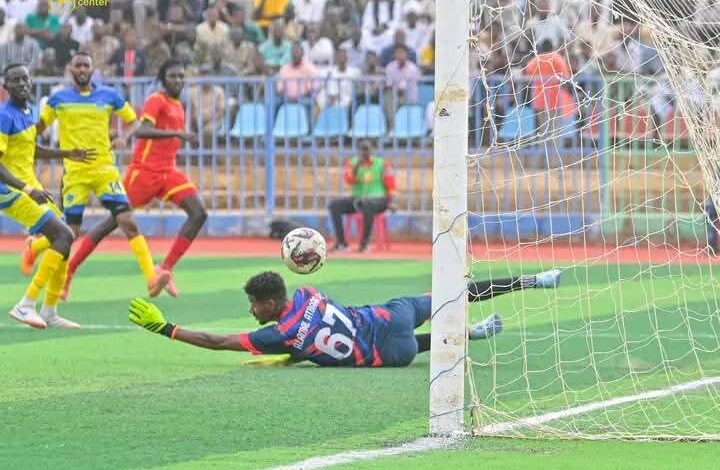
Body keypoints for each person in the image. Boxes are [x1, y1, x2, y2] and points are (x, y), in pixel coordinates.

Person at [127, 269, 562, 367]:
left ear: (270, 304)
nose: (251, 311)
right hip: (391, 314)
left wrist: (166, 328)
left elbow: (218, 342)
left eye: (254, 305)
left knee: (398, 346)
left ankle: (471, 334)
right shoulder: (308, 293)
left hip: (394, 353)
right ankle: (534, 280)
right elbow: (310, 334)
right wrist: (291, 356)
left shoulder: (278, 335)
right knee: (453, 293)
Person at [25, 51, 170, 300]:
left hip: (105, 170)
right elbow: (39, 128)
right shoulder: (58, 99)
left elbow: (134, 121)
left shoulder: (109, 95)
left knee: (127, 221)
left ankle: (151, 279)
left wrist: (124, 137)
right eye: (78, 65)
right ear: (71, 70)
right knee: (70, 233)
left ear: (93, 70)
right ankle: (36, 246)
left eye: (86, 65)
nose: (82, 69)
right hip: (75, 174)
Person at [62, 60, 204, 298]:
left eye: (181, 76)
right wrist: (178, 133)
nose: (178, 80)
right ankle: (69, 270)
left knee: (199, 213)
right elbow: (141, 130)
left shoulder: (179, 104)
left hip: (167, 172)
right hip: (144, 173)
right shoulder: (156, 100)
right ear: (163, 79)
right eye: (172, 76)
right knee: (111, 224)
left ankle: (165, 268)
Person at [0, 63, 95, 329]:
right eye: (15, 80)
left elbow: (31, 149)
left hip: (29, 185)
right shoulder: (4, 116)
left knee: (66, 238)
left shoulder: (29, 111)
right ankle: (25, 304)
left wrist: (67, 154)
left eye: (25, 79)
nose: (22, 84)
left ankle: (50, 311)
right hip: (10, 190)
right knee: (63, 234)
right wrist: (27, 188)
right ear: (5, 87)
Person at [328, 139, 394, 253]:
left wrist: (391, 202)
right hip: (358, 199)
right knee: (334, 205)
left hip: (378, 200)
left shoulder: (382, 164)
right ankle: (342, 244)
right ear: (358, 150)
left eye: (366, 149)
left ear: (371, 150)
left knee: (368, 204)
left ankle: (364, 244)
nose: (364, 152)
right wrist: (357, 166)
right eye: (362, 149)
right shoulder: (352, 163)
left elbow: (391, 185)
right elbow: (349, 180)